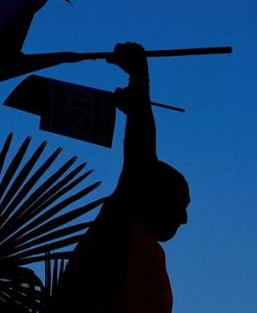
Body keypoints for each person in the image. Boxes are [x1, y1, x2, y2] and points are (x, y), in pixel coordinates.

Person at [51, 42, 190, 312]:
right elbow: (141, 156)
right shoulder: (122, 230)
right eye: (178, 204)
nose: (184, 218)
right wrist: (140, 81)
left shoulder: (148, 252)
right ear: (151, 196)